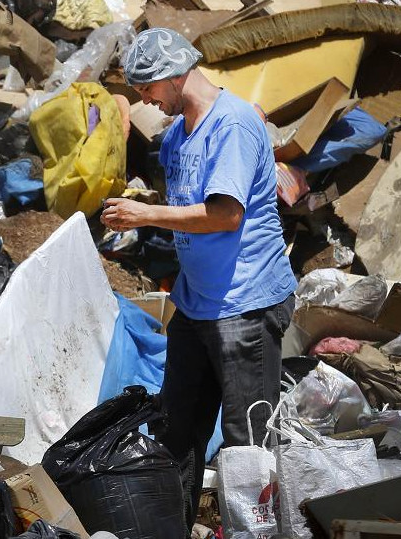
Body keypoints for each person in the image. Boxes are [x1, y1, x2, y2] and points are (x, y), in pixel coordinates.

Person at [101, 28, 297, 533]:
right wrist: (145, 205)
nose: (145, 99)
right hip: (196, 303)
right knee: (177, 427)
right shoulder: (177, 134)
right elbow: (182, 199)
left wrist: (146, 217)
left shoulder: (230, 125)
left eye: (146, 88)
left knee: (246, 439)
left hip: (245, 303)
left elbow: (225, 215)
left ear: (171, 76)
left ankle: (252, 530)